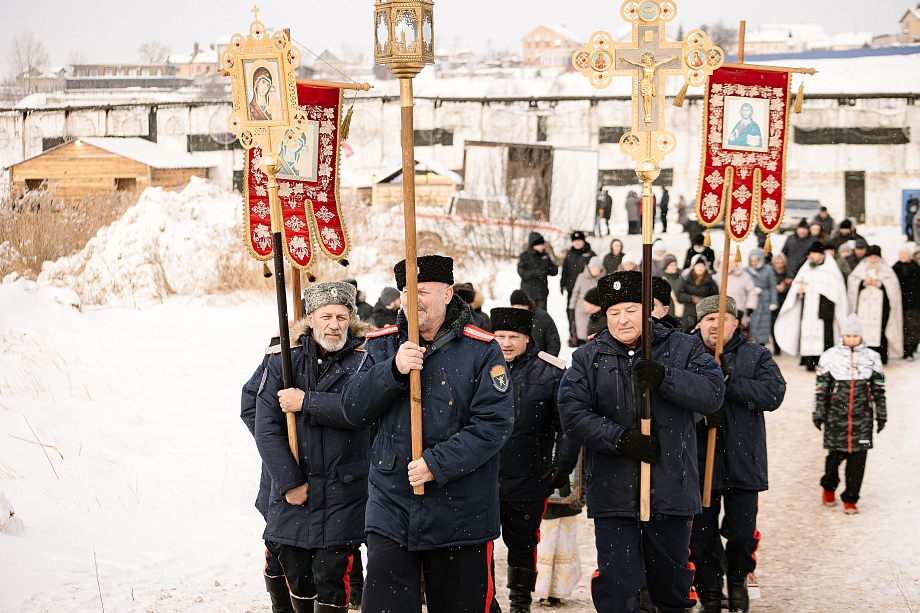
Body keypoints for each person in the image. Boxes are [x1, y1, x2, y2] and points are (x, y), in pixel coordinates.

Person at [342, 255, 514, 613]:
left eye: (424, 291)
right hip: (392, 503)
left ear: (448, 294)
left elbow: (494, 424)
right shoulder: (382, 345)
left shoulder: (481, 349)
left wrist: (437, 463)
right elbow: (353, 408)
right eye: (407, 291)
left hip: (461, 508)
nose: (413, 299)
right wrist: (393, 370)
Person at [558, 270, 725, 613]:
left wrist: (666, 378)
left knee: (672, 587)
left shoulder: (684, 347)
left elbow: (713, 394)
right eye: (614, 313)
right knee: (617, 587)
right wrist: (619, 439)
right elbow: (572, 414)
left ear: (648, 308)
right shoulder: (588, 357)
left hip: (671, 489)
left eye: (631, 310)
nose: (622, 320)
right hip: (613, 493)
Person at [255, 281, 371, 612]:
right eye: (326, 316)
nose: (334, 324)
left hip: (344, 491)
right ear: (310, 317)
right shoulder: (283, 362)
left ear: (351, 318)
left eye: (341, 316)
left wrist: (307, 402)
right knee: (296, 574)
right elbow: (266, 427)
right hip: (294, 494)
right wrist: (289, 481)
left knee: (334, 576)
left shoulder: (366, 361)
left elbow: (361, 411)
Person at [690, 295, 786, 613]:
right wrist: (700, 415)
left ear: (735, 322)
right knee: (700, 538)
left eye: (722, 319)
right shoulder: (685, 354)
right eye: (708, 319)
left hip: (743, 459)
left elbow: (774, 393)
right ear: (699, 323)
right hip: (698, 462)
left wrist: (730, 383)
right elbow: (672, 396)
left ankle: (737, 578)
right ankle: (711, 592)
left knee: (743, 534)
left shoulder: (756, 355)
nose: (715, 325)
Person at [489, 308, 578, 613]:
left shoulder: (551, 372)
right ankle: (489, 602)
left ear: (528, 338)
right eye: (500, 336)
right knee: (479, 546)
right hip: (482, 477)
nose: (506, 343)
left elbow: (567, 424)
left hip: (529, 475)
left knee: (524, 545)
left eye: (514, 337)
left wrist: (562, 465)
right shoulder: (479, 366)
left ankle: (520, 603)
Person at [242, 335, 295, 613]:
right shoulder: (279, 352)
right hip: (281, 473)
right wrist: (275, 442)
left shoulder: (349, 350)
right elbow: (250, 405)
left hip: (332, 474)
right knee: (278, 545)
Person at [813, 314, 886, 515]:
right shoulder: (830, 356)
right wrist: (818, 412)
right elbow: (820, 388)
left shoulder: (872, 358)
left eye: (855, 336)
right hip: (836, 417)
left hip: (862, 418)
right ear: (842, 336)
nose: (852, 339)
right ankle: (829, 486)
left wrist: (881, 414)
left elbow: (879, 389)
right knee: (834, 458)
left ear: (861, 337)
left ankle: (851, 498)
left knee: (858, 461)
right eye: (848, 336)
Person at [774, 243, 849, 371]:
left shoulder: (831, 271)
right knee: (807, 333)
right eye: (810, 255)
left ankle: (825, 362)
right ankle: (810, 362)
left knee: (825, 336)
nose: (811, 257)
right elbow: (794, 291)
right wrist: (798, 292)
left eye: (814, 254)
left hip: (824, 310)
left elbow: (838, 293)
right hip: (807, 310)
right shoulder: (805, 270)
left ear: (821, 255)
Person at [847, 245, 903, 364]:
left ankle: (881, 358)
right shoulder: (860, 270)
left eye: (876, 257)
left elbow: (893, 288)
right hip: (863, 309)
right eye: (871, 257)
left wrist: (880, 284)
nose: (873, 260)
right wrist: (862, 282)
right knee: (862, 331)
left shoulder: (887, 271)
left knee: (881, 331)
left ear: (880, 258)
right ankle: (862, 357)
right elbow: (852, 283)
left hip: (881, 308)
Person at [561, 231, 596, 345]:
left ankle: (587, 335)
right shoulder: (569, 254)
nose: (577, 243)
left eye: (579, 240)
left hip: (586, 289)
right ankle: (573, 335)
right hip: (572, 288)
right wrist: (562, 283)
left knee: (587, 312)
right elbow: (565, 270)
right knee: (571, 312)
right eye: (575, 241)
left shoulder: (590, 254)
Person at [510, 289, 561, 357]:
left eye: (521, 306)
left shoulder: (542, 317)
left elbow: (553, 343)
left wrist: (547, 361)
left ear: (527, 305)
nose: (518, 310)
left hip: (540, 359)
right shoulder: (510, 319)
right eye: (515, 307)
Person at [569, 256, 606, 345]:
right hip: (581, 306)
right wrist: (572, 305)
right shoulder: (582, 277)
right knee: (580, 327)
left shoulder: (603, 279)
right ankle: (582, 342)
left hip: (595, 308)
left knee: (593, 327)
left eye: (597, 270)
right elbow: (575, 292)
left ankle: (591, 342)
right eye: (593, 269)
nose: (595, 272)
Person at [677, 254, 719, 333]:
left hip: (704, 313)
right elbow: (679, 295)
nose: (700, 268)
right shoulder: (686, 279)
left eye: (702, 266)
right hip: (689, 313)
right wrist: (692, 298)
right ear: (694, 267)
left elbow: (715, 297)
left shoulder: (710, 281)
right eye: (698, 266)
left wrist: (704, 301)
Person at [518, 232, 559, 311]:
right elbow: (522, 273)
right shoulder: (525, 256)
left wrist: (550, 270)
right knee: (528, 316)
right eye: (541, 244)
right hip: (528, 293)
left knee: (541, 316)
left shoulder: (545, 256)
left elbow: (554, 271)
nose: (542, 247)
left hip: (541, 293)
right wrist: (535, 272)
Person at [746, 249, 778, 347]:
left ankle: (761, 345)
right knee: (751, 323)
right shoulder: (746, 271)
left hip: (764, 300)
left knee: (763, 325)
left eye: (756, 261)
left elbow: (772, 286)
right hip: (751, 300)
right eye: (752, 261)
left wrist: (773, 301)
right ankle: (752, 344)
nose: (754, 263)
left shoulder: (768, 269)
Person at [892, 247, 920, 360]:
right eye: (901, 253)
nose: (903, 256)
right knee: (901, 325)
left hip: (914, 303)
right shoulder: (895, 268)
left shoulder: (916, 268)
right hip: (900, 302)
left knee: (913, 326)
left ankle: (911, 349)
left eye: (905, 254)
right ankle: (902, 348)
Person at [713, 257, 758, 326]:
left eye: (733, 262)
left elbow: (751, 292)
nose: (731, 264)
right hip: (722, 309)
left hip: (739, 308)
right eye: (729, 262)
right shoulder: (718, 276)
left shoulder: (745, 277)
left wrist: (750, 306)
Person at [770, 253, 793, 355]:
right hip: (773, 301)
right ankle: (776, 347)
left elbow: (792, 285)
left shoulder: (788, 273)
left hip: (784, 301)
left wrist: (785, 288)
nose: (778, 264)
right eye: (777, 262)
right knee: (773, 324)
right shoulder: (770, 273)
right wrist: (775, 288)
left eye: (780, 262)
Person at [661, 255, 684, 322]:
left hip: (679, 309)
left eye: (675, 265)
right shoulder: (662, 279)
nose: (674, 267)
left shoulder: (681, 278)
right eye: (672, 265)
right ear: (666, 266)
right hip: (667, 309)